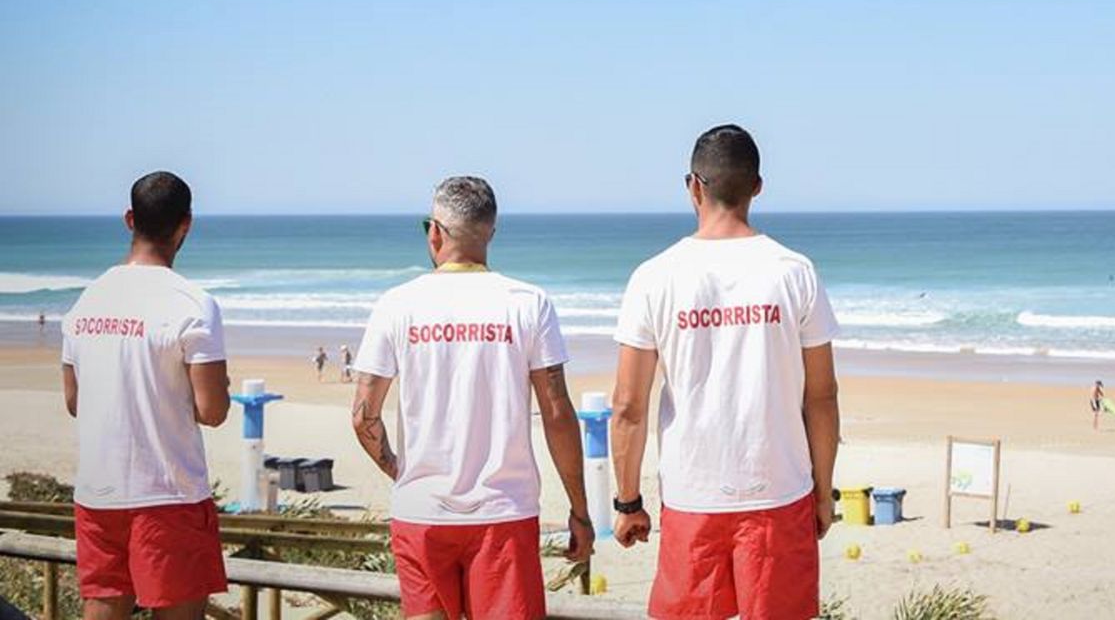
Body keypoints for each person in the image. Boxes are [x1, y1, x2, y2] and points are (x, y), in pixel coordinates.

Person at [611, 124, 840, 620]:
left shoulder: (654, 277)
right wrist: (824, 492)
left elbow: (628, 405)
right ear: (758, 186)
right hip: (779, 491)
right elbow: (821, 396)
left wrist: (627, 503)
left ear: (693, 186)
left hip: (694, 495)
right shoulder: (794, 271)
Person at [351, 176, 592, 620]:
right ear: (491, 232)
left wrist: (401, 471)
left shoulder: (397, 304)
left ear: (435, 232)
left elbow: (364, 413)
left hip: (422, 511)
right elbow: (557, 412)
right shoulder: (527, 302)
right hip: (504, 512)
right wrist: (579, 509)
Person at [61, 172, 230, 620]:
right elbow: (213, 410)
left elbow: (75, 400)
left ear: (129, 219)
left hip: (98, 492)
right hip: (169, 492)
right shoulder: (192, 303)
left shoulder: (87, 300)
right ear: (186, 224)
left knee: (102, 609)